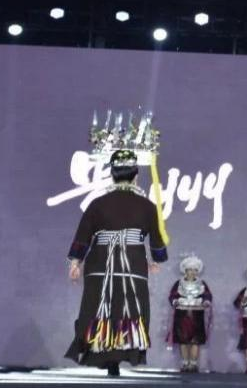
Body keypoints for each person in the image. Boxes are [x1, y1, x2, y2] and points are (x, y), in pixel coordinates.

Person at [64, 148, 168, 376]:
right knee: (128, 308)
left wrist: (75, 263)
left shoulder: (97, 204)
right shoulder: (147, 206)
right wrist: (156, 259)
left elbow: (83, 235)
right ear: (135, 175)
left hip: (100, 263)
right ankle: (119, 356)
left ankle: (102, 353)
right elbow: (157, 240)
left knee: (97, 306)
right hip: (132, 263)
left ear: (111, 174)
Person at [169, 254, 212, 373]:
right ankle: (184, 363)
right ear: (185, 271)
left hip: (196, 315)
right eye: (190, 270)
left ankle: (193, 364)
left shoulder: (202, 284)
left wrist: (206, 302)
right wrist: (175, 301)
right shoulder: (179, 283)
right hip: (182, 315)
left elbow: (207, 295)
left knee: (195, 340)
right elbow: (172, 296)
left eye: (195, 270)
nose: (192, 272)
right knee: (182, 340)